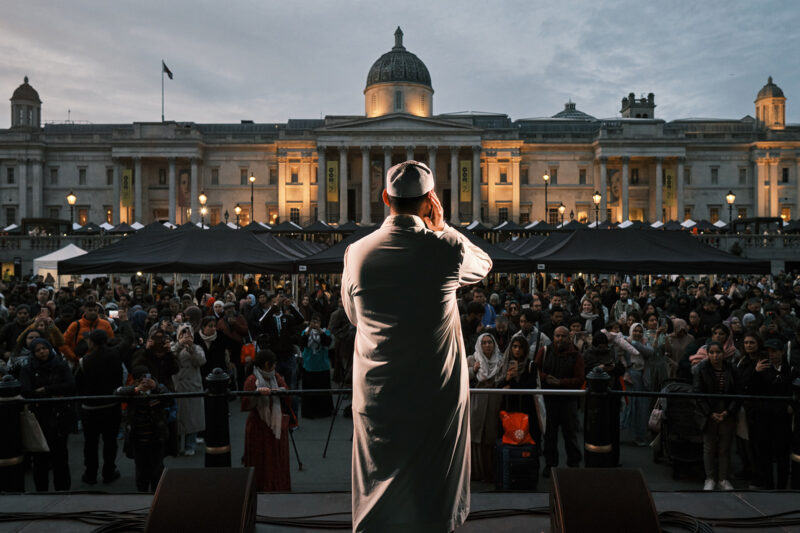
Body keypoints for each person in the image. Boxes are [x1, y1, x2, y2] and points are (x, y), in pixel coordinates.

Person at [342, 160, 492, 532]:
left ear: (383, 198)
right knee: (433, 494)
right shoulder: (448, 247)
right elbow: (484, 265)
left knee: (376, 484)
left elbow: (353, 316)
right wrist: (442, 228)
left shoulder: (357, 252)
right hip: (434, 392)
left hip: (379, 391)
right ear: (430, 201)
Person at [19, 337, 76, 491]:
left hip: (58, 417)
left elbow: (70, 384)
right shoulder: (28, 368)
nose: (42, 352)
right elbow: (26, 390)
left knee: (60, 458)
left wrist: (46, 390)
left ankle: (63, 490)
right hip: (40, 418)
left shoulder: (60, 364)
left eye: (44, 348)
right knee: (40, 459)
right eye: (37, 350)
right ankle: (41, 491)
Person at [74, 329, 129, 485]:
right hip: (111, 404)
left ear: (92, 342)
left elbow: (77, 384)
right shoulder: (115, 354)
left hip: (90, 407)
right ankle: (109, 471)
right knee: (110, 441)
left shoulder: (85, 360)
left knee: (90, 443)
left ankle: (90, 473)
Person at [535, 325, 585, 476]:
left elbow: (579, 379)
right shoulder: (545, 351)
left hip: (568, 401)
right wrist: (545, 378)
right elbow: (535, 370)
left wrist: (560, 383)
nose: (560, 339)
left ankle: (574, 464)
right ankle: (550, 464)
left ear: (568, 338)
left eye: (563, 336)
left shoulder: (576, 355)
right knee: (549, 435)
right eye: (557, 336)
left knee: (570, 434)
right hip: (549, 400)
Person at [241, 349, 293, 491]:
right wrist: (257, 395)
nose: (274, 367)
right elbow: (246, 404)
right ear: (266, 364)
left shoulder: (276, 377)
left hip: (275, 424)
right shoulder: (252, 380)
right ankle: (261, 487)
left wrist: (282, 391)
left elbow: (288, 394)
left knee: (276, 458)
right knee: (261, 458)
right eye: (272, 364)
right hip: (259, 425)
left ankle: (278, 486)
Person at [117, 366, 172, 492]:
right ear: (135, 381)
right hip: (138, 439)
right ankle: (141, 495)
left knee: (157, 470)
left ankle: (156, 495)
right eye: (141, 380)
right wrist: (136, 389)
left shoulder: (157, 389)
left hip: (156, 437)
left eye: (147, 378)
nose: (145, 382)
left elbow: (170, 398)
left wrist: (155, 387)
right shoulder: (133, 392)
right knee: (141, 470)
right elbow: (117, 393)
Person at [694, 341, 740, 491]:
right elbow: (698, 393)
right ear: (707, 354)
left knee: (724, 448)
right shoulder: (701, 369)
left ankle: (723, 479)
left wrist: (727, 412)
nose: (715, 356)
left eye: (718, 352)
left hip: (727, 412)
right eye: (712, 353)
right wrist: (710, 413)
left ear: (723, 353)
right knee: (709, 447)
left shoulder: (732, 368)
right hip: (709, 413)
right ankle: (710, 478)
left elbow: (737, 393)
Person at [751, 337, 794, 489]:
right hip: (765, 416)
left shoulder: (790, 369)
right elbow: (752, 389)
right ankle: (768, 485)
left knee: (782, 454)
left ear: (782, 352)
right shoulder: (761, 368)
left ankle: (782, 486)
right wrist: (755, 373)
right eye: (769, 351)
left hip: (782, 417)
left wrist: (790, 404)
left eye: (774, 351)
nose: (772, 354)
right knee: (765, 453)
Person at [467, 332, 504, 483]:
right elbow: (461, 376)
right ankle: (476, 473)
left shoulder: (500, 361)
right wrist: (473, 371)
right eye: (484, 343)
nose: (487, 345)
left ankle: (490, 472)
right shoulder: (472, 359)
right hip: (477, 404)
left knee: (490, 437)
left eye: (490, 342)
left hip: (494, 404)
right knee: (476, 438)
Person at [171, 324, 206, 456]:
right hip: (177, 386)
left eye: (188, 334)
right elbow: (169, 357)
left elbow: (201, 361)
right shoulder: (173, 346)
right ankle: (176, 445)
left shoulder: (197, 348)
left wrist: (190, 348)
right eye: (182, 334)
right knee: (177, 417)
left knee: (192, 417)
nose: (185, 337)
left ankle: (190, 444)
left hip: (192, 385)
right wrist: (180, 345)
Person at [299, 313, 334, 419]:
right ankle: (309, 412)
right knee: (310, 391)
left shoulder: (325, 332)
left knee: (323, 390)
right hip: (309, 365)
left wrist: (319, 330)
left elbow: (327, 343)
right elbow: (302, 343)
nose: (315, 324)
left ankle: (324, 412)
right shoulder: (305, 332)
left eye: (317, 322)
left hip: (322, 365)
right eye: (313, 322)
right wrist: (309, 330)